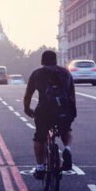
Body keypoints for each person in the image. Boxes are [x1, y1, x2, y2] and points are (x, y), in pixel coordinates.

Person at [23, 50, 76, 179]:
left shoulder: (37, 74)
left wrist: (27, 108)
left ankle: (40, 167)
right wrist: (72, 111)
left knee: (39, 138)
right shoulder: (66, 73)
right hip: (63, 110)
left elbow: (28, 94)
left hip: (44, 111)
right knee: (66, 130)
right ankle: (67, 149)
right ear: (55, 60)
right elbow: (71, 95)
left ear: (42, 61)